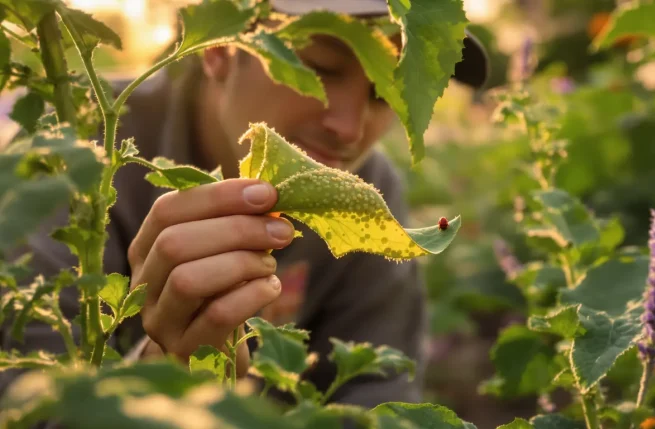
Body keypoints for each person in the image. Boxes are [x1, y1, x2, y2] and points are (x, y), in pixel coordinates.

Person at [0, 0, 489, 409]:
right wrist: (157, 385)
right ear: (220, 49)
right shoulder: (74, 142)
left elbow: (377, 401)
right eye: (319, 69)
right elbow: (23, 402)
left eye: (388, 92)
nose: (350, 127)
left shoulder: (369, 195)